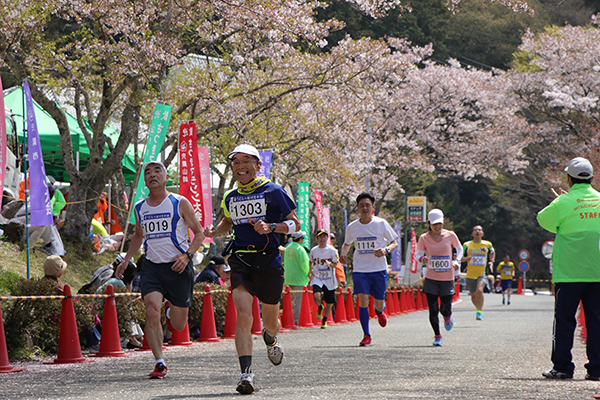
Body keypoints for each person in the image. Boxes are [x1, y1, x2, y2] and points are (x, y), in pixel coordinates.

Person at [204, 144, 300, 394]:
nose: (240, 166)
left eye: (246, 161)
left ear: (258, 165)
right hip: (240, 260)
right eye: (236, 162)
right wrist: (215, 231)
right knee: (244, 314)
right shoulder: (230, 197)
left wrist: (272, 227)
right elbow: (227, 221)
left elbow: (295, 224)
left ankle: (270, 338)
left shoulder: (274, 191)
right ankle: (246, 375)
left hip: (269, 261)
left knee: (271, 322)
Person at [116, 160, 205, 379]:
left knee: (178, 324)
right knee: (150, 309)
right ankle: (159, 362)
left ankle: (170, 308)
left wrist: (187, 256)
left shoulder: (179, 202)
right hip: (152, 267)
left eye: (158, 171)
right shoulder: (139, 207)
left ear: (166, 178)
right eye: (148, 172)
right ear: (144, 180)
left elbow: (200, 233)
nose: (152, 175)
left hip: (178, 267)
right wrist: (126, 259)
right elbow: (138, 235)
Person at [537, 156, 600, 381]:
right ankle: (596, 370)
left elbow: (543, 219)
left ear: (569, 178)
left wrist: (560, 203)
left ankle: (563, 367)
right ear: (592, 178)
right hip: (597, 272)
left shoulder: (563, 202)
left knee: (565, 321)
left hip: (569, 273)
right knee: (596, 321)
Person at [339, 192, 398, 346]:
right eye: (361, 205)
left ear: (372, 207)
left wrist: (386, 250)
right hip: (360, 270)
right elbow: (346, 244)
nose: (364, 208)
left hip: (378, 269)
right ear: (358, 208)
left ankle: (379, 311)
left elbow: (394, 242)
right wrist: (343, 254)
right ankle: (366, 335)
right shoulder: (352, 227)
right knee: (363, 299)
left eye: (367, 205)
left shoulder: (381, 224)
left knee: (378, 302)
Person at [415, 209, 462, 346]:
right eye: (434, 224)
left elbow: (459, 249)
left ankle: (447, 316)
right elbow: (417, 254)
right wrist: (422, 258)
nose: (437, 227)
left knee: (444, 308)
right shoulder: (424, 238)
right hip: (431, 277)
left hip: (447, 277)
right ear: (429, 223)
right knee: (433, 309)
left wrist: (456, 261)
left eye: (440, 224)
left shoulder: (450, 235)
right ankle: (437, 335)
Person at [461, 225, 495, 320]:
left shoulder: (487, 244)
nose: (478, 232)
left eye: (480, 230)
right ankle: (477, 308)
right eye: (475, 230)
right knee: (473, 296)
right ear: (472, 233)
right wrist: (467, 258)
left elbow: (492, 252)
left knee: (479, 290)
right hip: (470, 274)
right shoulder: (467, 245)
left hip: (482, 273)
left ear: (482, 233)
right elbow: (460, 258)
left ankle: (479, 312)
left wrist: (491, 261)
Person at [310, 229, 339, 329]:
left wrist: (330, 264)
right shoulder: (314, 250)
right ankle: (319, 306)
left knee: (329, 302)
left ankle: (325, 319)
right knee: (316, 295)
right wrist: (310, 270)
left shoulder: (332, 250)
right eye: (320, 237)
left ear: (327, 238)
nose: (322, 239)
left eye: (324, 236)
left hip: (329, 278)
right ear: (317, 238)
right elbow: (310, 261)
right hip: (317, 276)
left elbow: (336, 264)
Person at [283, 231, 310, 325]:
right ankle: (296, 320)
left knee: (289, 301)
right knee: (298, 302)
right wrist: (308, 273)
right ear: (300, 239)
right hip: (299, 279)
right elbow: (305, 264)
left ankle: (287, 318)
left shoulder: (287, 248)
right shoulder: (300, 249)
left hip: (289, 278)